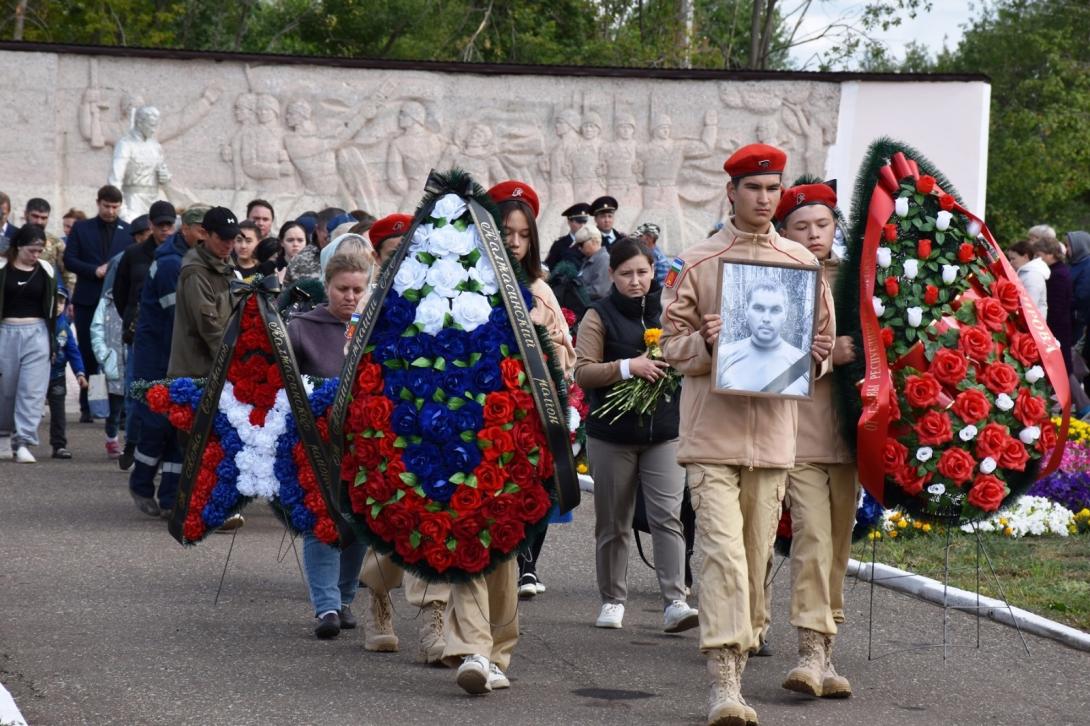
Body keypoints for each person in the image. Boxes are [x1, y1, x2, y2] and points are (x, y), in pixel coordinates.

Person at [660, 143, 833, 726]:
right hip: (712, 436)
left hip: (777, 440)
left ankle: (744, 641)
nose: (765, 198)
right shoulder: (700, 261)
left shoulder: (801, 265)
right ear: (731, 192)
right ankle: (725, 684)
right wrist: (707, 343)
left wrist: (813, 357)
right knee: (722, 557)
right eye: (754, 188)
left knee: (756, 559)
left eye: (773, 188)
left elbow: (824, 345)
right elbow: (671, 344)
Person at [440, 180, 574, 696]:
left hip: (522, 434)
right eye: (506, 233)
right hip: (469, 427)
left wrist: (543, 331)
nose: (514, 243)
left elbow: (562, 372)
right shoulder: (462, 285)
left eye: (523, 235)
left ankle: (498, 650)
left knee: (505, 545)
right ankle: (473, 648)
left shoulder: (540, 292)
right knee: (468, 533)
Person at [574, 237, 697, 633]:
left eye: (642, 272)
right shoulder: (599, 315)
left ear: (653, 271)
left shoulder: (669, 310)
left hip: (664, 433)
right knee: (614, 521)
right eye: (626, 274)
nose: (636, 281)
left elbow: (689, 353)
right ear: (612, 275)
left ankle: (675, 600)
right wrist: (628, 367)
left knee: (668, 517)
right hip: (611, 436)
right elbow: (583, 371)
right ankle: (613, 599)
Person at [773, 181, 856, 699]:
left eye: (822, 224)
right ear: (784, 231)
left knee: (839, 547)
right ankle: (809, 650)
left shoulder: (855, 282)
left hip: (849, 439)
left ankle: (827, 649)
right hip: (796, 433)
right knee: (811, 541)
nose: (813, 234)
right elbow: (762, 359)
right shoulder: (776, 280)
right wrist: (827, 357)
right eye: (801, 226)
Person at [288, 251, 372, 639]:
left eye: (358, 289)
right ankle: (326, 608)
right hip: (316, 444)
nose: (350, 297)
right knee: (321, 521)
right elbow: (282, 383)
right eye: (343, 289)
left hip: (364, 443)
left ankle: (345, 596)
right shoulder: (303, 327)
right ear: (327, 285)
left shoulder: (376, 329)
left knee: (356, 522)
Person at [127, 205, 205, 519]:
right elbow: (180, 320)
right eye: (200, 229)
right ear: (184, 228)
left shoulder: (195, 260)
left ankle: (172, 496)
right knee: (156, 426)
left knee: (180, 427)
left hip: (179, 359)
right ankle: (142, 484)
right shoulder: (172, 264)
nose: (204, 236)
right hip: (158, 360)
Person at [114, 200, 176, 469]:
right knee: (135, 391)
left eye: (169, 225)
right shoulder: (133, 253)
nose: (165, 230)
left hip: (170, 332)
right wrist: (131, 319)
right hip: (140, 330)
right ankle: (132, 442)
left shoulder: (177, 255)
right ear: (150, 225)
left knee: (163, 394)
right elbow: (120, 291)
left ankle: (157, 450)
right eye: (160, 225)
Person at [63, 185, 133, 423]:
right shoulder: (82, 228)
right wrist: (94, 270)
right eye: (106, 206)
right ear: (98, 203)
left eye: (115, 207)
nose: (111, 211)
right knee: (88, 353)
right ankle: (90, 406)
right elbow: (69, 259)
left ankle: (118, 409)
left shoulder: (128, 231)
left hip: (117, 302)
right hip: (88, 299)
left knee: (117, 353)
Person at [0, 224, 58, 463]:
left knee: (32, 390)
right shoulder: (2, 267)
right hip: (6, 331)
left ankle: (23, 440)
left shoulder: (46, 270)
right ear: (18, 247)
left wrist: (53, 342)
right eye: (31, 250)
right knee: (6, 389)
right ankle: (3, 435)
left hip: (37, 332)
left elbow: (53, 306)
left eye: (40, 250)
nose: (36, 255)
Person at [168, 207, 239, 379]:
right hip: (197, 373)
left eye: (233, 238)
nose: (229, 244)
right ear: (205, 234)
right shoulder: (196, 272)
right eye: (222, 238)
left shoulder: (225, 265)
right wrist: (235, 366)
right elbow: (209, 328)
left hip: (216, 367)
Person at [716, 278, 809, 396]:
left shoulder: (803, 363)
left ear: (785, 314)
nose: (766, 318)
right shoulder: (723, 356)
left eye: (775, 310)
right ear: (746, 310)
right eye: (759, 308)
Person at [91, 255, 128, 460]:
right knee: (114, 407)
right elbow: (96, 329)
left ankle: (131, 441)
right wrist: (104, 356)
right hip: (112, 361)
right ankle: (111, 439)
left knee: (132, 407)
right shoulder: (107, 302)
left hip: (132, 360)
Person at [48, 286, 87, 459]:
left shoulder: (65, 326)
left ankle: (59, 445)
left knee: (58, 412)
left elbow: (73, 351)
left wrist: (79, 372)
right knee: (28, 408)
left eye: (62, 301)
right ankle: (20, 440)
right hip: (37, 374)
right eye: (55, 300)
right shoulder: (40, 322)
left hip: (57, 376)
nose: (58, 305)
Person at [1035, 235, 1074, 374]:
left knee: (1060, 371)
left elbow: (1055, 307)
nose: (1037, 259)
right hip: (1060, 327)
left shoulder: (1057, 274)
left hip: (1057, 329)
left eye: (1039, 255)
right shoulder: (1058, 271)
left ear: (1050, 254)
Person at [22, 198, 74, 292]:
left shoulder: (55, 243)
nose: (39, 222)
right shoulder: (12, 239)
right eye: (35, 216)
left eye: (43, 218)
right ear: (26, 214)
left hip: (46, 296)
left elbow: (69, 275)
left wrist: (70, 299)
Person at [1006, 239, 1050, 316]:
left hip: (1032, 324)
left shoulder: (1032, 277)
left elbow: (1030, 307)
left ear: (1025, 257)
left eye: (1013, 259)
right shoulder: (1026, 274)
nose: (1010, 262)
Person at [544, 202, 591, 270]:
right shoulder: (559, 244)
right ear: (569, 222)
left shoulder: (591, 242)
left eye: (584, 222)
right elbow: (548, 268)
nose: (582, 225)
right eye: (579, 222)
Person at [574, 223, 610, 301]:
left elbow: (600, 291)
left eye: (581, 244)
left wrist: (575, 293)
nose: (579, 248)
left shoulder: (604, 260)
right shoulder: (589, 259)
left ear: (594, 241)